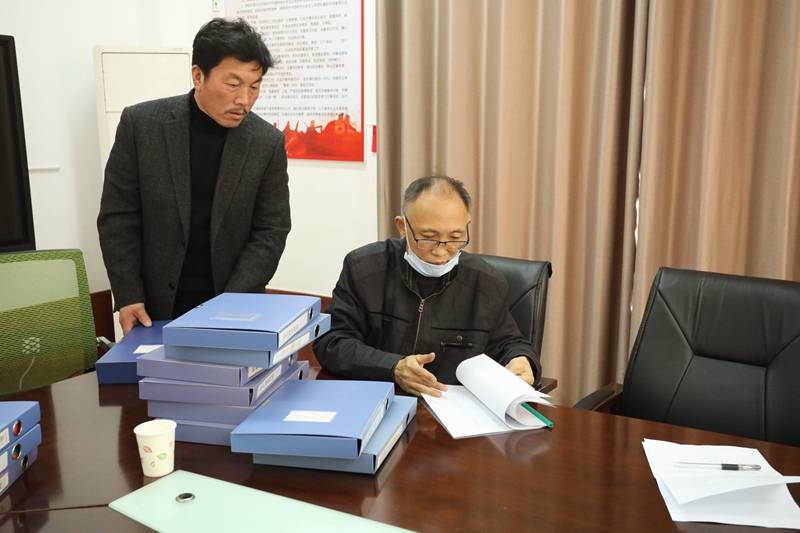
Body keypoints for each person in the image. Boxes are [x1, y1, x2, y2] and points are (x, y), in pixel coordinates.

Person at [97, 18, 291, 334]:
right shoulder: (141, 125)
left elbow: (272, 228)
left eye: (254, 87)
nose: (244, 100)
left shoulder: (266, 142)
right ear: (198, 76)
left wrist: (232, 302)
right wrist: (128, 293)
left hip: (234, 305)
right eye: (233, 85)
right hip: (154, 306)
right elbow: (118, 217)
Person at [313, 175, 541, 397]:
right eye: (428, 238)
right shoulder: (364, 269)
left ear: (466, 226)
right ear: (402, 226)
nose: (441, 252)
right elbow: (332, 341)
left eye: (455, 238)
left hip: (452, 408)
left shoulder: (486, 283)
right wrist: (393, 366)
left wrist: (522, 360)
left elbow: (509, 343)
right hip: (378, 400)